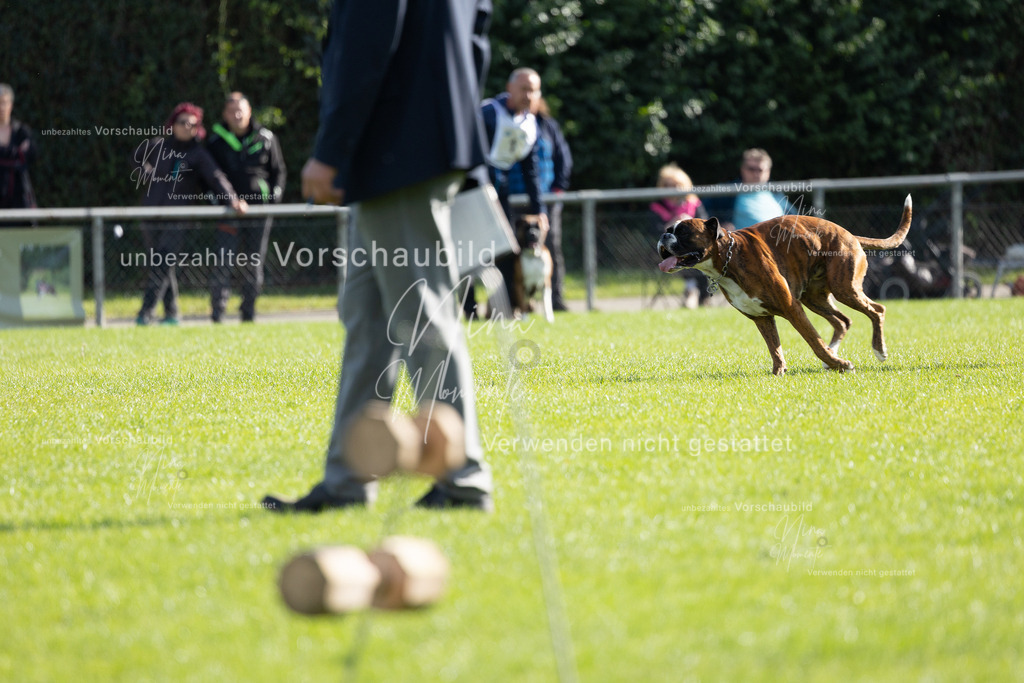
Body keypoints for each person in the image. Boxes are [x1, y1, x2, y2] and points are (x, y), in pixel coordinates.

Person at [262, 0, 494, 512]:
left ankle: (463, 477)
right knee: (368, 322)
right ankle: (348, 480)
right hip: (420, 150)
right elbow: (473, 43)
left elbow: (366, 44)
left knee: (422, 317)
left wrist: (331, 148)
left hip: (396, 154)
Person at [131, 103, 247, 325]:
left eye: (192, 124)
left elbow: (216, 178)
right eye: (182, 122)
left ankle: (146, 312)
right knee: (160, 265)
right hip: (150, 214)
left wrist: (232, 199)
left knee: (162, 262)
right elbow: (135, 158)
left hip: (177, 218)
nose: (187, 127)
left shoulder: (198, 154)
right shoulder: (158, 146)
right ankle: (172, 313)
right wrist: (146, 174)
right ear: (173, 124)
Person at [463, 68, 548, 318]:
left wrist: (539, 210)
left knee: (507, 250)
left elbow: (530, 171)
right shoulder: (489, 113)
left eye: (533, 90)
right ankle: (469, 309)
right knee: (469, 251)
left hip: (500, 194)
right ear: (510, 88)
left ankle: (504, 307)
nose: (529, 95)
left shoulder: (530, 124)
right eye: (524, 88)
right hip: (471, 191)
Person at [205, 92, 286, 323]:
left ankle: (248, 313)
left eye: (241, 109)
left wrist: (272, 201)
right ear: (225, 114)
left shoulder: (266, 138)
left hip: (260, 214)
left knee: (253, 264)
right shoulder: (216, 143)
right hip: (227, 213)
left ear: (250, 111)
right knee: (223, 262)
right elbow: (208, 178)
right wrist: (219, 202)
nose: (237, 114)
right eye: (231, 110)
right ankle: (217, 314)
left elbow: (278, 172)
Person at [506, 96, 572, 311]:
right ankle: (513, 303)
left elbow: (563, 158)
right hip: (513, 200)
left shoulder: (548, 125)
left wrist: (558, 189)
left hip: (545, 200)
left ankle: (556, 300)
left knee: (551, 248)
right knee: (509, 252)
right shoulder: (508, 123)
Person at [649, 163, 710, 307]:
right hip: (667, 248)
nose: (674, 189)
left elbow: (705, 228)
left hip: (693, 247)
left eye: (677, 185)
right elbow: (653, 231)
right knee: (678, 254)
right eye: (668, 185)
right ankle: (691, 289)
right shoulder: (657, 207)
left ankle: (701, 295)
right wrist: (672, 223)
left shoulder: (694, 204)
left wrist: (688, 222)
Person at [731, 148, 791, 229]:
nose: (755, 174)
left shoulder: (775, 191)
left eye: (760, 170)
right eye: (751, 169)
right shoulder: (727, 192)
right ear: (742, 169)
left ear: (768, 172)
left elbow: (794, 218)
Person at [0, 84, 37, 212]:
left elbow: (31, 155)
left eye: (4, 103)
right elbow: (20, 154)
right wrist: (16, 152)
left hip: (19, 196)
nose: (1, 107)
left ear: (11, 105)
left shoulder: (21, 131)